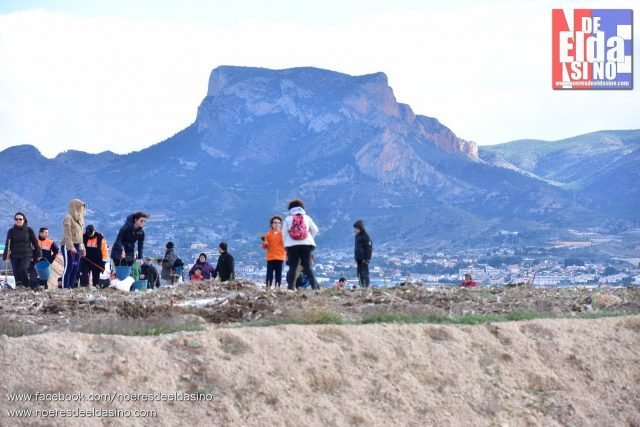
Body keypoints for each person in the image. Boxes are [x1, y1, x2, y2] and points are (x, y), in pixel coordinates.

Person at [283, 199, 319, 290]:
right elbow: (315, 230)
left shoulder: (288, 218)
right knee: (307, 266)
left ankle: (290, 288)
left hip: (291, 245)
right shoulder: (307, 217)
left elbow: (283, 234)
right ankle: (314, 287)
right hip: (306, 245)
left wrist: (285, 245)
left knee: (293, 267)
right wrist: (309, 238)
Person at [3, 212, 42, 288]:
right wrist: (5, 256)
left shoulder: (29, 230)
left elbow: (35, 243)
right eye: (16, 219)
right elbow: (8, 245)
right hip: (14, 254)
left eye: (20, 219)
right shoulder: (11, 231)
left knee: (23, 269)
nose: (18, 220)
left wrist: (39, 254)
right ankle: (19, 285)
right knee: (16, 271)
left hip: (26, 254)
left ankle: (26, 285)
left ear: (24, 220)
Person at [61, 199, 86, 289]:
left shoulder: (80, 220)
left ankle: (71, 288)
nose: (82, 210)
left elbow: (81, 237)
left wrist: (83, 249)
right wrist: (70, 247)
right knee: (69, 267)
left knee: (75, 268)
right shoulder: (68, 218)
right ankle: (65, 288)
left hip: (78, 246)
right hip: (68, 246)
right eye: (80, 208)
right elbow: (67, 234)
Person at [261, 215, 285, 290]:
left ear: (280, 224)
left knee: (278, 274)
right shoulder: (268, 234)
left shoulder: (283, 234)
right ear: (271, 224)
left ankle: (277, 288)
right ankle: (268, 287)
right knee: (269, 274)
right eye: (275, 222)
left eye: (278, 223)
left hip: (280, 257)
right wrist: (264, 243)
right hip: (270, 257)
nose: (277, 224)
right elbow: (264, 247)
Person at [353, 220, 373, 288]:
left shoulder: (366, 236)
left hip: (364, 258)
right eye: (355, 229)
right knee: (359, 274)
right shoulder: (357, 236)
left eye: (356, 229)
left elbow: (369, 248)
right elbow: (356, 248)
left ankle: (366, 287)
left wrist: (367, 259)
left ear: (360, 228)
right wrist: (355, 257)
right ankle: (361, 286)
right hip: (358, 258)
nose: (355, 230)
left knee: (365, 273)